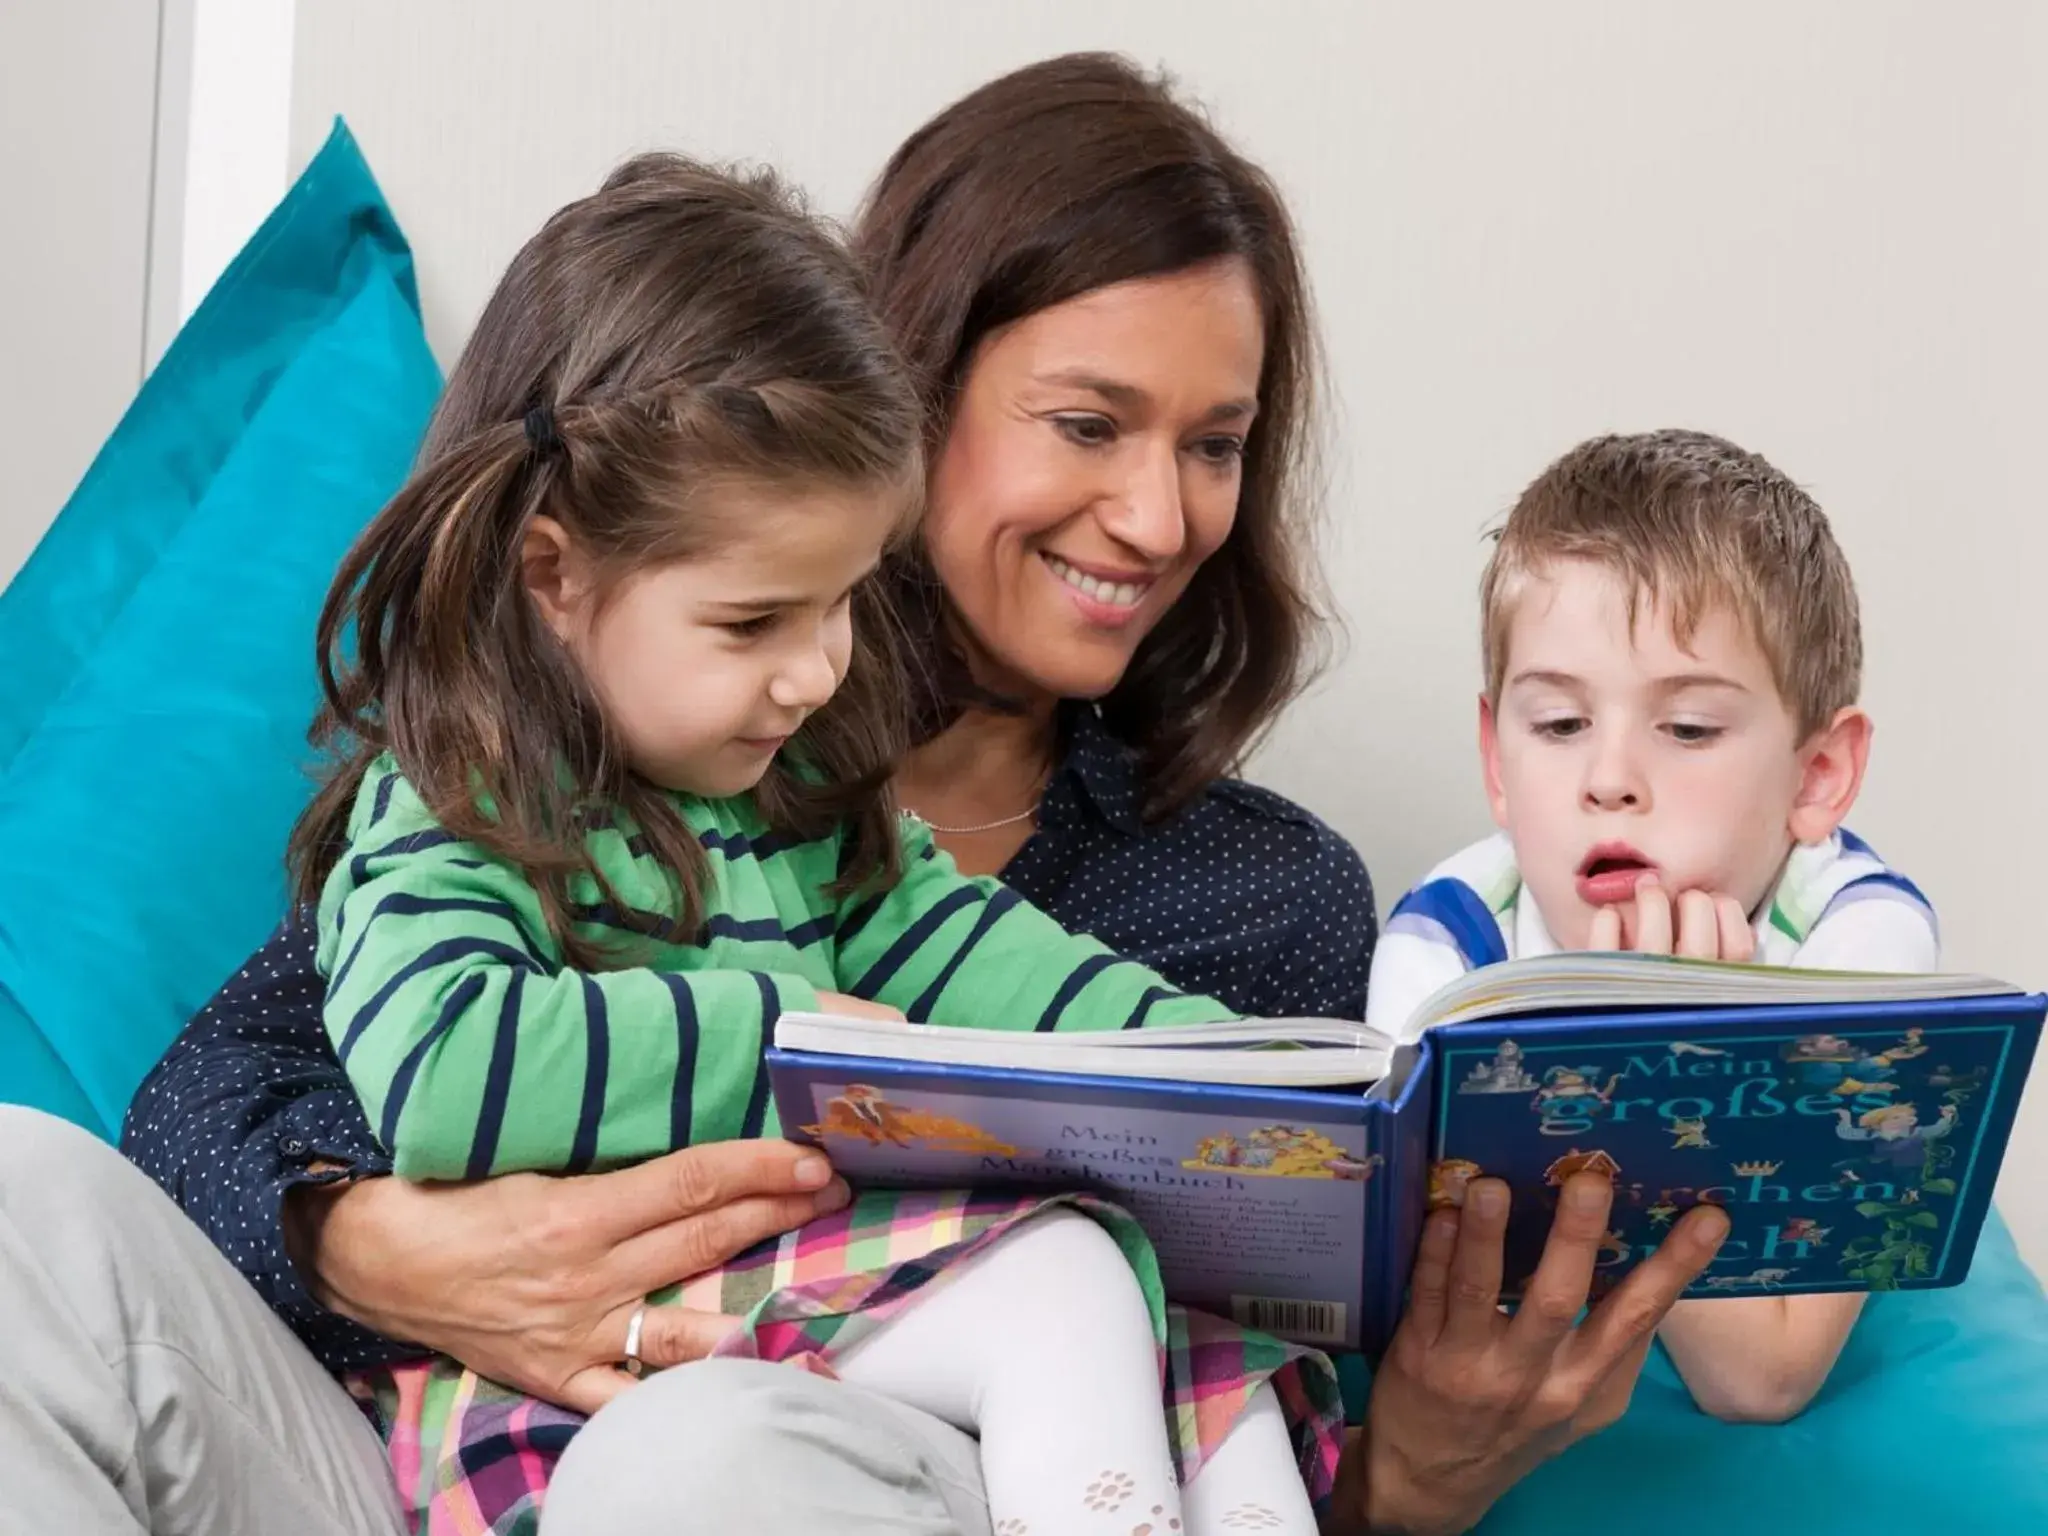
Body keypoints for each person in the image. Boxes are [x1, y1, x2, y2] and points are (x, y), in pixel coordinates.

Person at [54, 51, 1725, 1536]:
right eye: (1086, 422)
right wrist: (376, 1246)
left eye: (1214, 442)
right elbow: (230, 1096)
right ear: (901, 400)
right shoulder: (530, 780)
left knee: (728, 1449)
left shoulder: (1247, 892)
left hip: (835, 1455)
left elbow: (1104, 1074)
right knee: (21, 1204)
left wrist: (1351, 1182)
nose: (1155, 515)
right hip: (466, 1434)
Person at [301, 150, 1336, 1534]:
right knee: (1069, 1284)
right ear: (555, 577)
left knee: (1219, 1366)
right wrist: (793, 1040)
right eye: (754, 623)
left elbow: (992, 964)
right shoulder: (452, 800)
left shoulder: (796, 807)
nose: (816, 674)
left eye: (845, 600)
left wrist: (1239, 1075)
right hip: (583, 1374)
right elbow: (438, 1070)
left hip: (782, 1309)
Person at [1365, 428, 1934, 1424]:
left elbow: (1760, 1380)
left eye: (1684, 729)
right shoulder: (1445, 941)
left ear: (1816, 776)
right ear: (1497, 764)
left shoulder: (1862, 935)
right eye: (1557, 725)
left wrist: (1649, 1047)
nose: (1609, 779)